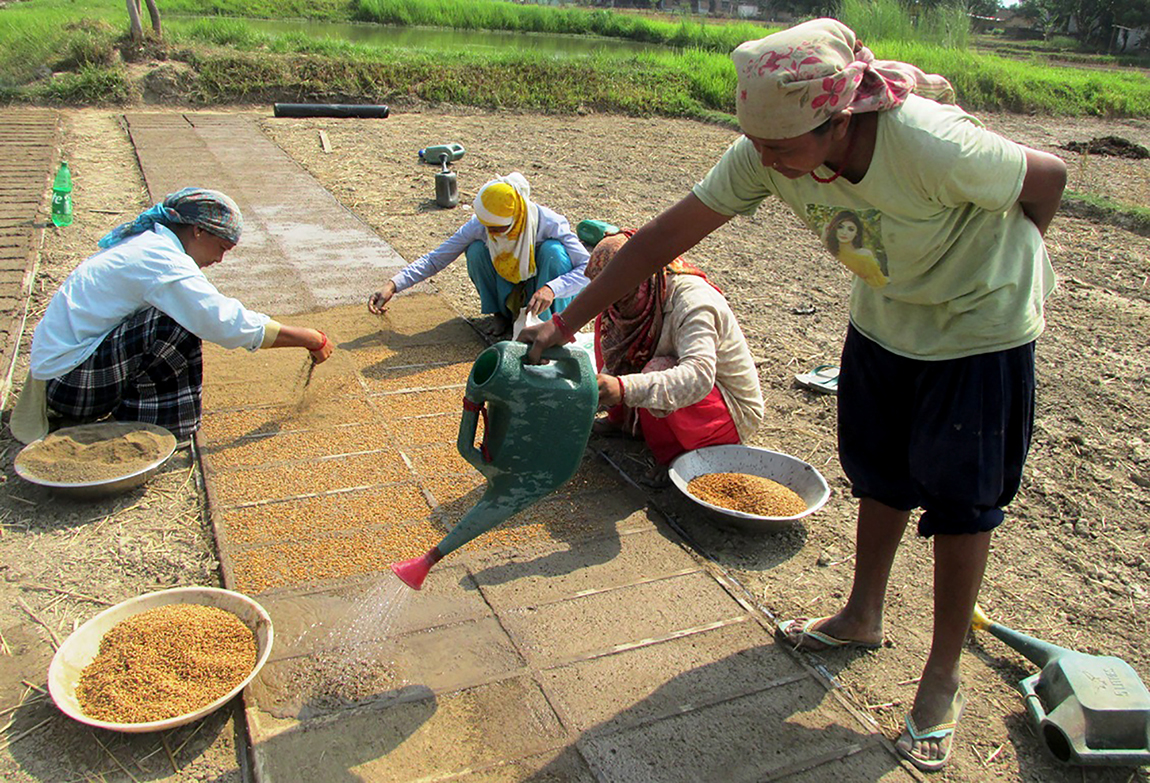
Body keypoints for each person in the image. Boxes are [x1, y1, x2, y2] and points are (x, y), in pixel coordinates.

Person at [519, 18, 1067, 773]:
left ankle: (941, 678)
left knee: (962, 498)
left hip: (982, 329)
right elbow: (652, 244)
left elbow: (1050, 178)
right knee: (878, 472)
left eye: (784, 150)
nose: (768, 163)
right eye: (761, 147)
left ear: (840, 119)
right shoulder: (766, 149)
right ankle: (861, 614)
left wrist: (1011, 272)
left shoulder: (929, 142)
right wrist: (562, 325)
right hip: (886, 317)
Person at [10, 187, 333, 445]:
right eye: (221, 247)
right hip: (72, 387)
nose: (220, 259)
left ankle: (139, 410)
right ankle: (158, 425)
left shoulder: (148, 244)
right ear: (197, 231)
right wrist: (307, 337)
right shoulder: (160, 261)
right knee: (174, 323)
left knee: (175, 311)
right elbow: (221, 321)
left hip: (63, 376)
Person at [589, 232, 764, 486]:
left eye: (620, 296)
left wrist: (625, 388)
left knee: (658, 368)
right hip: (679, 388)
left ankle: (675, 455)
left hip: (725, 411)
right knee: (606, 324)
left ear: (641, 280)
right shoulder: (637, 298)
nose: (616, 304)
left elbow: (698, 377)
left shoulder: (694, 304)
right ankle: (623, 420)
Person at [368, 172, 589, 335]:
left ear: (517, 218)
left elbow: (588, 269)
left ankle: (552, 326)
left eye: (498, 228)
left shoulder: (549, 222)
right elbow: (436, 258)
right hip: (510, 287)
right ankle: (502, 315)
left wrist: (552, 288)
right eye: (487, 227)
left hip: (542, 290)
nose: (490, 233)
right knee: (475, 250)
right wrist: (393, 285)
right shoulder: (481, 226)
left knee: (554, 252)